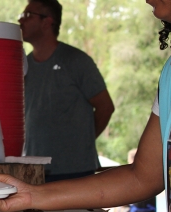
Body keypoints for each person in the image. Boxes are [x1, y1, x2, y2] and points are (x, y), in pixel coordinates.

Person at [0, 0, 171, 212]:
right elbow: (141, 177)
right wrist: (32, 195)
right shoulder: (170, 71)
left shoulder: (75, 60)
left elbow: (104, 106)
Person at [18, 0, 115, 182]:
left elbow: (106, 107)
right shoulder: (24, 66)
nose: (20, 21)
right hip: (35, 172)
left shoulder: (76, 61)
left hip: (75, 172)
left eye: (27, 15)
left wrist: (81, 143)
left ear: (47, 22)